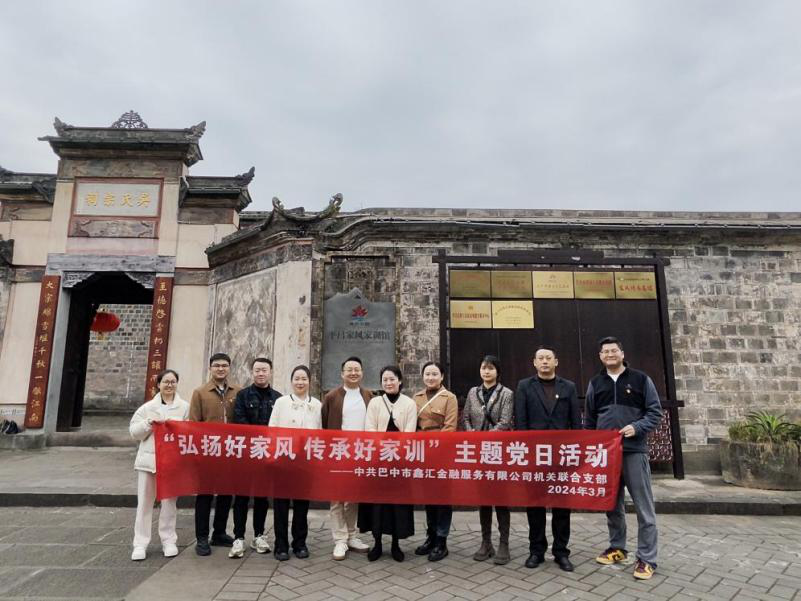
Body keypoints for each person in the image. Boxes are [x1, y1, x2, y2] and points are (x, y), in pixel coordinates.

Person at [585, 336, 663, 581]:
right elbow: (590, 419)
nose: (610, 354)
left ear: (622, 353)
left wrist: (637, 427)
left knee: (643, 507)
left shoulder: (641, 379)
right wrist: (592, 449)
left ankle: (647, 558)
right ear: (600, 356)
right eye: (605, 352)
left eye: (614, 350)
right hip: (607, 455)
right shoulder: (595, 383)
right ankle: (617, 547)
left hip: (634, 451)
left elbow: (655, 412)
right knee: (611, 504)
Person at [515, 346, 581, 572]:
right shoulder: (524, 386)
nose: (544, 362)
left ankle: (561, 552)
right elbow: (521, 422)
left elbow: (575, 422)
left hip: (562, 455)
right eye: (540, 358)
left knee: (562, 505)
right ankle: (536, 551)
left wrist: (575, 452)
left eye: (548, 358)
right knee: (535, 505)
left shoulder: (568, 387)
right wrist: (526, 453)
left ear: (556, 362)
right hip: (535, 455)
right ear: (534, 362)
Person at [129, 369, 190, 561]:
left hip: (172, 463)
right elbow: (134, 432)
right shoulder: (147, 408)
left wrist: (178, 426)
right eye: (166, 382)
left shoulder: (184, 407)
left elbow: (190, 431)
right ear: (158, 384)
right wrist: (148, 424)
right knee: (144, 504)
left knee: (169, 504)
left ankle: (168, 540)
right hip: (149, 462)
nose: (169, 385)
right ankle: (140, 543)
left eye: (173, 382)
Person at [361, 365, 418, 562]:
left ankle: (395, 544)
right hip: (378, 459)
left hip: (400, 461)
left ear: (400, 381)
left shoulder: (409, 403)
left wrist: (396, 450)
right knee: (377, 503)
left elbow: (410, 433)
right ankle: (377, 543)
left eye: (392, 379)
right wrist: (382, 449)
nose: (388, 383)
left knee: (397, 503)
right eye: (385, 380)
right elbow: (369, 429)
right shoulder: (375, 402)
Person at [461, 355, 514, 565]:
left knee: (501, 498)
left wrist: (485, 437)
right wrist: (471, 434)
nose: (486, 371)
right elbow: (465, 417)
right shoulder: (473, 392)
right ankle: (486, 542)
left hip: (498, 452)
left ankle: (504, 543)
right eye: (484, 368)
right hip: (478, 452)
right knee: (483, 498)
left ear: (497, 372)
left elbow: (505, 422)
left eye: (491, 368)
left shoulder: (506, 393)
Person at [228, 357, 282, 559]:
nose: (261, 373)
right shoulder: (242, 395)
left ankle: (259, 535)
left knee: (261, 497)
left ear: (270, 372)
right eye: (257, 370)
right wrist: (258, 439)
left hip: (267, 456)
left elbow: (279, 427)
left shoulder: (278, 398)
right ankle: (239, 537)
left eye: (264, 370)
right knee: (241, 497)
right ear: (252, 372)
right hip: (246, 455)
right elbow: (239, 422)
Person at [268, 365, 322, 561]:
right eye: (297, 379)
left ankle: (300, 543)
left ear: (309, 381)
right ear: (291, 381)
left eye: (304, 379)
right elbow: (272, 428)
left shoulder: (316, 404)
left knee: (302, 504)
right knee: (281, 504)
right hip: (283, 459)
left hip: (305, 461)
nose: (300, 382)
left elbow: (319, 432)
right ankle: (280, 545)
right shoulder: (281, 402)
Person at [189, 352, 240, 556]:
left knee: (226, 494)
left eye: (224, 365)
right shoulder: (200, 393)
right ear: (210, 368)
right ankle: (202, 537)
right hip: (208, 453)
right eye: (217, 365)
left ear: (229, 368)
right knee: (205, 495)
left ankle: (219, 532)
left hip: (230, 452)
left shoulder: (238, 391)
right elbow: (194, 425)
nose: (221, 369)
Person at [321, 356, 372, 560]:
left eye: (357, 369)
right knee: (337, 499)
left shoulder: (368, 395)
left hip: (360, 453)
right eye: (349, 369)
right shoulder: (331, 397)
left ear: (362, 373)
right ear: (342, 373)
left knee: (353, 498)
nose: (353, 373)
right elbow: (324, 425)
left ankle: (351, 536)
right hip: (338, 453)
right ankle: (339, 540)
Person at [413, 361, 458, 562]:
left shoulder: (450, 398)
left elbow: (450, 427)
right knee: (429, 496)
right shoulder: (417, 397)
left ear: (442, 377)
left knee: (442, 497)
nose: (430, 377)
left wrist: (433, 445)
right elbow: (412, 425)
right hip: (422, 453)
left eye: (434, 374)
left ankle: (441, 541)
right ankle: (430, 537)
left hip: (441, 453)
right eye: (427, 374)